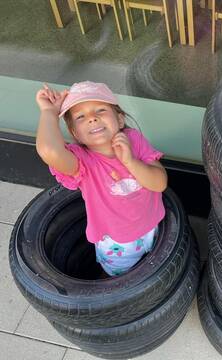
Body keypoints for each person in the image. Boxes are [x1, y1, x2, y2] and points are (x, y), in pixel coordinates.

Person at [35, 81, 168, 276]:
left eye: (100, 110)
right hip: (117, 245)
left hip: (152, 228)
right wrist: (49, 112)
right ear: (75, 134)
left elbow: (160, 183)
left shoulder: (134, 140)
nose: (92, 118)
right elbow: (49, 150)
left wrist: (130, 161)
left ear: (120, 120)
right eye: (81, 116)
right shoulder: (81, 162)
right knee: (122, 284)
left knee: (153, 272)